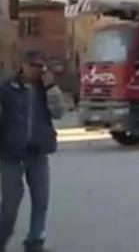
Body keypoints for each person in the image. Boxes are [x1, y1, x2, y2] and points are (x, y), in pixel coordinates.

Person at [0, 51, 65, 252]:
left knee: (41, 197)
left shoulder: (45, 89)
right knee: (11, 199)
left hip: (38, 152)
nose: (38, 70)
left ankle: (35, 239)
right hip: (11, 153)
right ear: (23, 65)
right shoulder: (7, 89)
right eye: (34, 65)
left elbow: (59, 112)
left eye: (41, 66)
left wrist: (51, 88)